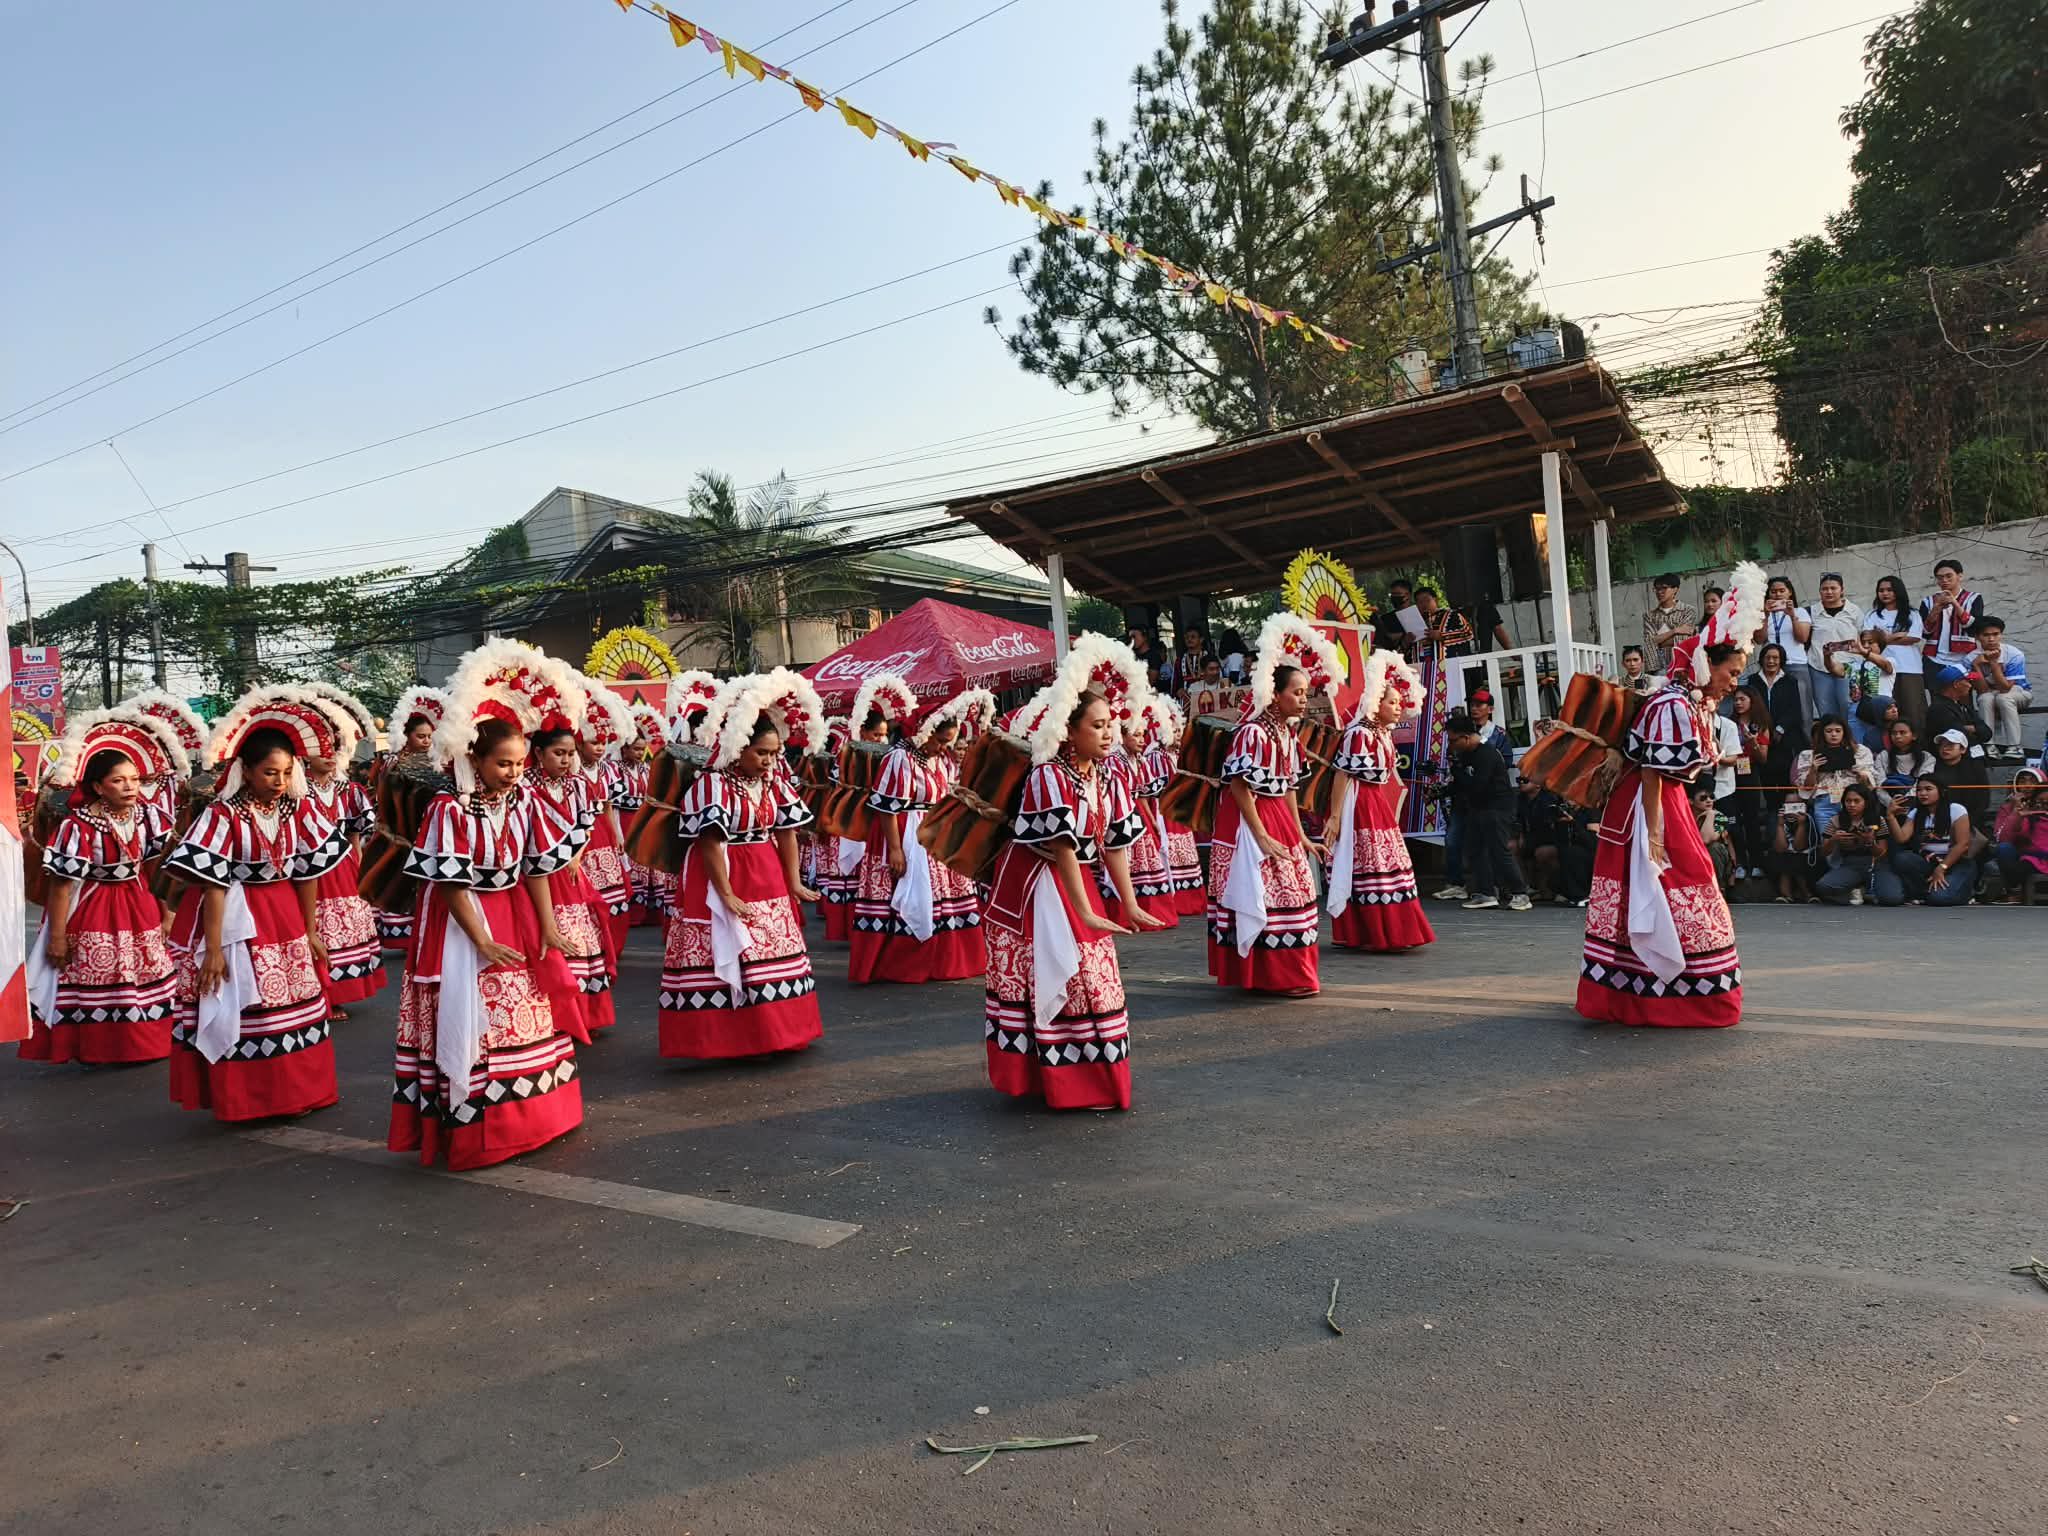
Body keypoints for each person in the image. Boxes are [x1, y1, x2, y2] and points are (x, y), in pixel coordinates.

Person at [390, 644, 592, 1168]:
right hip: (463, 924)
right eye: (503, 763)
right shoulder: (448, 808)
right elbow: (452, 885)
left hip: (515, 912)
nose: (513, 773)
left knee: (526, 1015)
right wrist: (479, 940)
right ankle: (481, 1124)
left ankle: (537, 1118)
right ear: (472, 758)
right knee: (477, 1016)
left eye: (520, 764)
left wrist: (546, 929)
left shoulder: (524, 800)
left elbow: (538, 867)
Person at [1578, 563, 1761, 1028]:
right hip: (1649, 808)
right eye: (1732, 671)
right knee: (1682, 886)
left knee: (1678, 892)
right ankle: (1668, 999)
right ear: (1708, 664)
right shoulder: (1673, 703)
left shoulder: (1690, 702)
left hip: (1664, 805)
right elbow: (1656, 772)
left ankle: (1647, 996)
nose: (1734, 681)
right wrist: (1655, 838)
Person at [982, 636, 1159, 1110]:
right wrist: (1084, 910)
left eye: (1111, 725)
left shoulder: (1108, 776)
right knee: (1064, 975)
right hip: (1037, 887)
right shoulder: (1049, 776)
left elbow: (1115, 846)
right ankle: (1056, 1081)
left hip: (1073, 882)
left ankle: (1090, 1081)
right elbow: (1060, 845)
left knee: (1095, 978)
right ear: (1070, 730)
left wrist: (1131, 903)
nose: (1108, 734)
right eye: (1097, 726)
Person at [164, 690, 342, 1121]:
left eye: (285, 772)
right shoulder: (223, 815)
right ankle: (252, 1099)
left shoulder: (298, 811)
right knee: (248, 1003)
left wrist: (311, 930)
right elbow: (213, 885)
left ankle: (300, 1092)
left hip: (283, 917)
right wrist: (214, 948)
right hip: (240, 918)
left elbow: (308, 874)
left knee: (294, 1001)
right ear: (245, 769)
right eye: (269, 773)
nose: (279, 781)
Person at [660, 670, 828, 1060]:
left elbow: (786, 831)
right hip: (722, 872)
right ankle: (730, 1038)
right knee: (730, 952)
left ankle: (781, 1033)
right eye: (761, 753)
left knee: (770, 953)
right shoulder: (712, 784)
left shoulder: (773, 782)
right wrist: (726, 893)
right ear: (738, 746)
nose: (769, 761)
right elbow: (710, 842)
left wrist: (794, 881)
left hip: (765, 871)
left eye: (774, 753)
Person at [21, 710, 182, 1066]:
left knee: (147, 968)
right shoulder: (78, 826)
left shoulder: (146, 814)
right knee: (104, 972)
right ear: (96, 786)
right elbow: (62, 885)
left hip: (138, 900)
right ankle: (104, 1048)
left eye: (134, 779)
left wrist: (165, 910)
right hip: (95, 905)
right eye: (118, 781)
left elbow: (155, 866)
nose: (129, 787)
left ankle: (147, 1044)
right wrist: (57, 937)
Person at [1209, 614, 1336, 996]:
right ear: (1275, 693)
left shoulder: (1286, 732)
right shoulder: (1252, 732)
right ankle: (1275, 976)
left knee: (1295, 893)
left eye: (1305, 691)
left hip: (1278, 818)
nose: (1303, 698)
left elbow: (1290, 787)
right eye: (1296, 692)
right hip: (1250, 822)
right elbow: (1239, 785)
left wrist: (1301, 835)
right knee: (1269, 894)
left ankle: (1286, 975)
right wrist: (1260, 836)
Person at [849, 685, 990, 983]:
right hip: (905, 830)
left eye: (948, 743)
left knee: (946, 896)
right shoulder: (899, 758)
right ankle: (899, 964)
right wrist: (896, 849)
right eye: (939, 741)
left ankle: (947, 962)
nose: (943, 748)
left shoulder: (941, 759)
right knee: (909, 894)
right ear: (924, 733)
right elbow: (887, 808)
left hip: (935, 832)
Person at [1326, 650, 1434, 950]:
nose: (1398, 708)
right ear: (1376, 703)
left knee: (1385, 862)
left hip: (1376, 804)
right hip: (1359, 804)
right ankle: (1374, 933)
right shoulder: (1359, 733)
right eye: (1392, 702)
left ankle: (1388, 931)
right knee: (1369, 863)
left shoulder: (1382, 734)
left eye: (1400, 703)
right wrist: (1336, 817)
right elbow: (1342, 773)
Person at [293, 689, 386, 1021]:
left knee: (343, 930)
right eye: (321, 749)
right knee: (313, 927)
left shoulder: (350, 791)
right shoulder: (295, 792)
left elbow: (355, 834)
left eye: (335, 747)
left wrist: (359, 867)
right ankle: (319, 995)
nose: (329, 754)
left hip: (344, 867)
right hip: (309, 871)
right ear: (304, 754)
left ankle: (337, 994)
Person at [524, 720, 619, 1037]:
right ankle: (555, 1014)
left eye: (569, 753)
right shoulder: (524, 788)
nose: (565, 760)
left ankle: (585, 1013)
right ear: (538, 753)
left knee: (579, 935)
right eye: (557, 753)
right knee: (547, 935)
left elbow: (586, 823)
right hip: (538, 874)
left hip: (571, 873)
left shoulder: (576, 785)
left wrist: (575, 856)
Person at [374, 686, 447, 953]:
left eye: (430, 736)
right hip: (403, 833)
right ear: (406, 736)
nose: (427, 741)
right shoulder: (395, 764)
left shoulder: (431, 761)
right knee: (408, 889)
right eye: (421, 736)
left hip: (424, 832)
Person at [572, 678, 639, 955]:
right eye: (593, 742)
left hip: (604, 834)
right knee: (590, 896)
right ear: (579, 743)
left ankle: (613, 948)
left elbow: (610, 805)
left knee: (616, 896)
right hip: (583, 838)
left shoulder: (608, 771)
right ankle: (593, 947)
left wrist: (618, 837)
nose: (599, 748)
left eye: (602, 742)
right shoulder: (570, 772)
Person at [1430, 687, 1511, 903]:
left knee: (1492, 847)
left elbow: (1502, 764)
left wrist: (1467, 771)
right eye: (1472, 704)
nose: (1475, 708)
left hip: (1487, 799)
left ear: (1490, 709)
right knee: (1456, 840)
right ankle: (1462, 885)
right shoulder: (1462, 729)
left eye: (1480, 704)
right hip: (1465, 797)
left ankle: (1508, 890)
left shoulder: (1496, 736)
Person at [1446, 711, 1530, 911]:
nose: (1452, 746)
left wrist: (1457, 772)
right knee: (1474, 850)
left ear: (1466, 737)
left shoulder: (1487, 754)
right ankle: (1486, 893)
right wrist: (1442, 791)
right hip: (1478, 807)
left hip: (1497, 808)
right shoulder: (1467, 754)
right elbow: (1462, 784)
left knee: (1499, 851)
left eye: (1454, 740)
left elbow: (1477, 785)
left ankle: (1520, 894)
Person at [1111, 708, 1181, 929]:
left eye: (1143, 735)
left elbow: (1142, 795)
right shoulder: (1114, 760)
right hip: (1120, 814)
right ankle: (1125, 913)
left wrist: (1152, 821)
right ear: (1121, 736)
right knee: (1127, 863)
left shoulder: (1139, 760)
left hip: (1137, 816)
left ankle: (1150, 911)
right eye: (1136, 735)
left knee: (1148, 862)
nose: (1141, 740)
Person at [1145, 698, 1206, 915]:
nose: (1178, 733)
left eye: (1180, 728)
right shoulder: (1156, 756)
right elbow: (1161, 789)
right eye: (1174, 728)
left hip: (1179, 814)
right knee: (1173, 855)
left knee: (1184, 855)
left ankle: (1188, 900)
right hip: (1167, 813)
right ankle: (1177, 901)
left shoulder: (1174, 755)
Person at [1884, 775, 1977, 906]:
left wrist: (1942, 868)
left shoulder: (1956, 809)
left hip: (1956, 863)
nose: (1923, 793)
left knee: (1940, 899)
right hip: (1929, 862)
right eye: (1919, 790)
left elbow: (1963, 845)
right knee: (1903, 858)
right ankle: (1926, 892)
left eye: (1928, 789)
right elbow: (1901, 838)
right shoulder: (1916, 813)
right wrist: (1890, 816)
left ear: (1941, 791)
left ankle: (1964, 892)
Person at [1792, 716, 1877, 835]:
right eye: (1829, 731)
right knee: (1828, 844)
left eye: (1838, 730)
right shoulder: (1808, 755)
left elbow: (1870, 783)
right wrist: (1813, 769)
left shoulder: (1860, 751)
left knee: (1856, 841)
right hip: (1825, 803)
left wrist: (1861, 774)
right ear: (1822, 733)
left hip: (1854, 802)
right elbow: (1806, 788)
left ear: (1844, 732)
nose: (1833, 734)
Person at [1865, 575, 1926, 732]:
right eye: (1881, 590)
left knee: (1913, 711)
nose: (1885, 593)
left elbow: (1914, 637)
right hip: (1880, 668)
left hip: (1909, 668)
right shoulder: (1872, 615)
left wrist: (1884, 638)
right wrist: (1899, 635)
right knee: (1885, 713)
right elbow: (1870, 640)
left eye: (1889, 590)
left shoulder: (1912, 614)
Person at [1813, 784, 1890, 906]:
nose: (1852, 805)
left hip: (1876, 864)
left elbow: (1882, 853)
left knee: (1890, 898)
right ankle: (1855, 890)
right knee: (1823, 886)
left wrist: (1870, 842)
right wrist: (1833, 840)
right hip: (1851, 864)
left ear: (1866, 802)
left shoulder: (1878, 820)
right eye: (1848, 801)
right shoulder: (1836, 820)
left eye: (1856, 801)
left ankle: (1866, 890)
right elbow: (1823, 853)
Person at [1804, 572, 1863, 725]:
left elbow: (1863, 637)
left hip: (1848, 667)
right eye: (1824, 589)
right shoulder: (1811, 612)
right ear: (1819, 591)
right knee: (1826, 710)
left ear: (1841, 590)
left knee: (1848, 706)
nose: (1829, 592)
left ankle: (1850, 742)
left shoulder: (1854, 611)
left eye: (1833, 588)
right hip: (1819, 668)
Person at [1726, 688, 1772, 880]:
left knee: (1752, 821)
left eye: (1742, 699)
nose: (1738, 703)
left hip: (1750, 773)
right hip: (1729, 773)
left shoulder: (1760, 725)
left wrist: (1752, 743)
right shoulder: (1728, 724)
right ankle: (1740, 864)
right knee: (1733, 821)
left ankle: (1757, 863)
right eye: (1735, 699)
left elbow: (1763, 758)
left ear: (1752, 701)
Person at [1755, 576, 1814, 724]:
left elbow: (1803, 638)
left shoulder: (1800, 612)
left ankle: (1805, 743)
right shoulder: (1762, 614)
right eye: (1773, 591)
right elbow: (1759, 640)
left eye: (1782, 591)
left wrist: (1792, 615)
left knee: (1802, 707)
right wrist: (1765, 616)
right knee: (1774, 706)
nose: (1778, 594)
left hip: (1796, 664)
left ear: (1790, 593)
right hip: (1771, 665)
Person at [1968, 615, 2031, 747]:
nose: (1991, 639)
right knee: (1985, 699)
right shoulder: (1969, 658)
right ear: (1977, 637)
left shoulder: (2015, 654)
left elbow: (2005, 688)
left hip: (2019, 692)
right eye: (1986, 635)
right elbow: (1982, 690)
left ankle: (2014, 747)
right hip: (1991, 693)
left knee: (2004, 698)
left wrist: (1993, 663)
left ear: (2001, 634)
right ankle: (1988, 745)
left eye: (1996, 634)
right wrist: (1975, 666)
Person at [1748, 643, 1806, 788]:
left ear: (1781, 660)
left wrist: (1780, 728)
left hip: (1783, 733)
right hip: (1761, 733)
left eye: (1775, 658)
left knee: (1784, 769)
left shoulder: (1790, 681)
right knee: (1765, 771)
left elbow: (1795, 710)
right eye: (1767, 658)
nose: (1771, 661)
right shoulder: (1753, 680)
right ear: (1762, 659)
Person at [1990, 767, 2048, 901]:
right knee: (2004, 849)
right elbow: (2003, 838)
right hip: (2025, 854)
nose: (2027, 786)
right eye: (2022, 781)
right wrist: (2017, 812)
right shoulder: (2009, 808)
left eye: (2032, 782)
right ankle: (2015, 890)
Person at [1918, 558, 1984, 671]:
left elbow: (1974, 628)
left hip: (1965, 657)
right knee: (1934, 688)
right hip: (1933, 657)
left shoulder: (1974, 598)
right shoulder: (1928, 601)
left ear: (1960, 576)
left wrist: (1955, 604)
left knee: (1965, 687)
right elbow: (1923, 632)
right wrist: (1935, 610)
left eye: (1949, 576)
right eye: (1940, 577)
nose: (1944, 580)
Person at [1924, 665, 1993, 766]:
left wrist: (1972, 728)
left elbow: (1987, 733)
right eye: (1967, 681)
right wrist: (1974, 729)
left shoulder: (1962, 706)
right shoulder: (1939, 709)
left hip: (1974, 762)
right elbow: (1959, 735)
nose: (1970, 685)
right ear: (1956, 684)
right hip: (1955, 767)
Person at [1928, 728, 1991, 828]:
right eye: (1942, 745)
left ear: (1963, 749)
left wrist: (1967, 822)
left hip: (1970, 820)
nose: (1945, 748)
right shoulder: (1932, 767)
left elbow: (1983, 799)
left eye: (1950, 745)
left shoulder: (1975, 768)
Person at [1642, 572, 1697, 677]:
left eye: (1664, 588)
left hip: (1682, 663)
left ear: (1675, 589)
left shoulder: (1687, 610)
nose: (1659, 592)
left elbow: (1684, 639)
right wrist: (1675, 631)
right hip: (1657, 665)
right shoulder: (1649, 615)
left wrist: (1659, 642)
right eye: (1657, 589)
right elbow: (1649, 640)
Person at [1873, 718, 1935, 802]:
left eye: (1902, 732)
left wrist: (1906, 802)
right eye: (1894, 733)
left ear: (1914, 736)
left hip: (1916, 803)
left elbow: (1922, 783)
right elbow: (1879, 785)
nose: (1898, 736)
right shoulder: (1883, 756)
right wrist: (1891, 803)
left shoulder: (1926, 757)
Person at [1692, 786, 1736, 892]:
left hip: (1718, 862)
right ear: (1690, 801)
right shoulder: (1686, 816)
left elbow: (1706, 839)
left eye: (1711, 797)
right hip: (1693, 857)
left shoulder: (1719, 817)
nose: (1708, 800)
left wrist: (1710, 814)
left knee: (1714, 847)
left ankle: (1718, 888)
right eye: (1703, 798)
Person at [1372, 580, 1415, 655]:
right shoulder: (1385, 619)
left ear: (1408, 595)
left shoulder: (1419, 614)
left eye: (1398, 594)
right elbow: (1383, 640)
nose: (1395, 597)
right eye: (1392, 595)